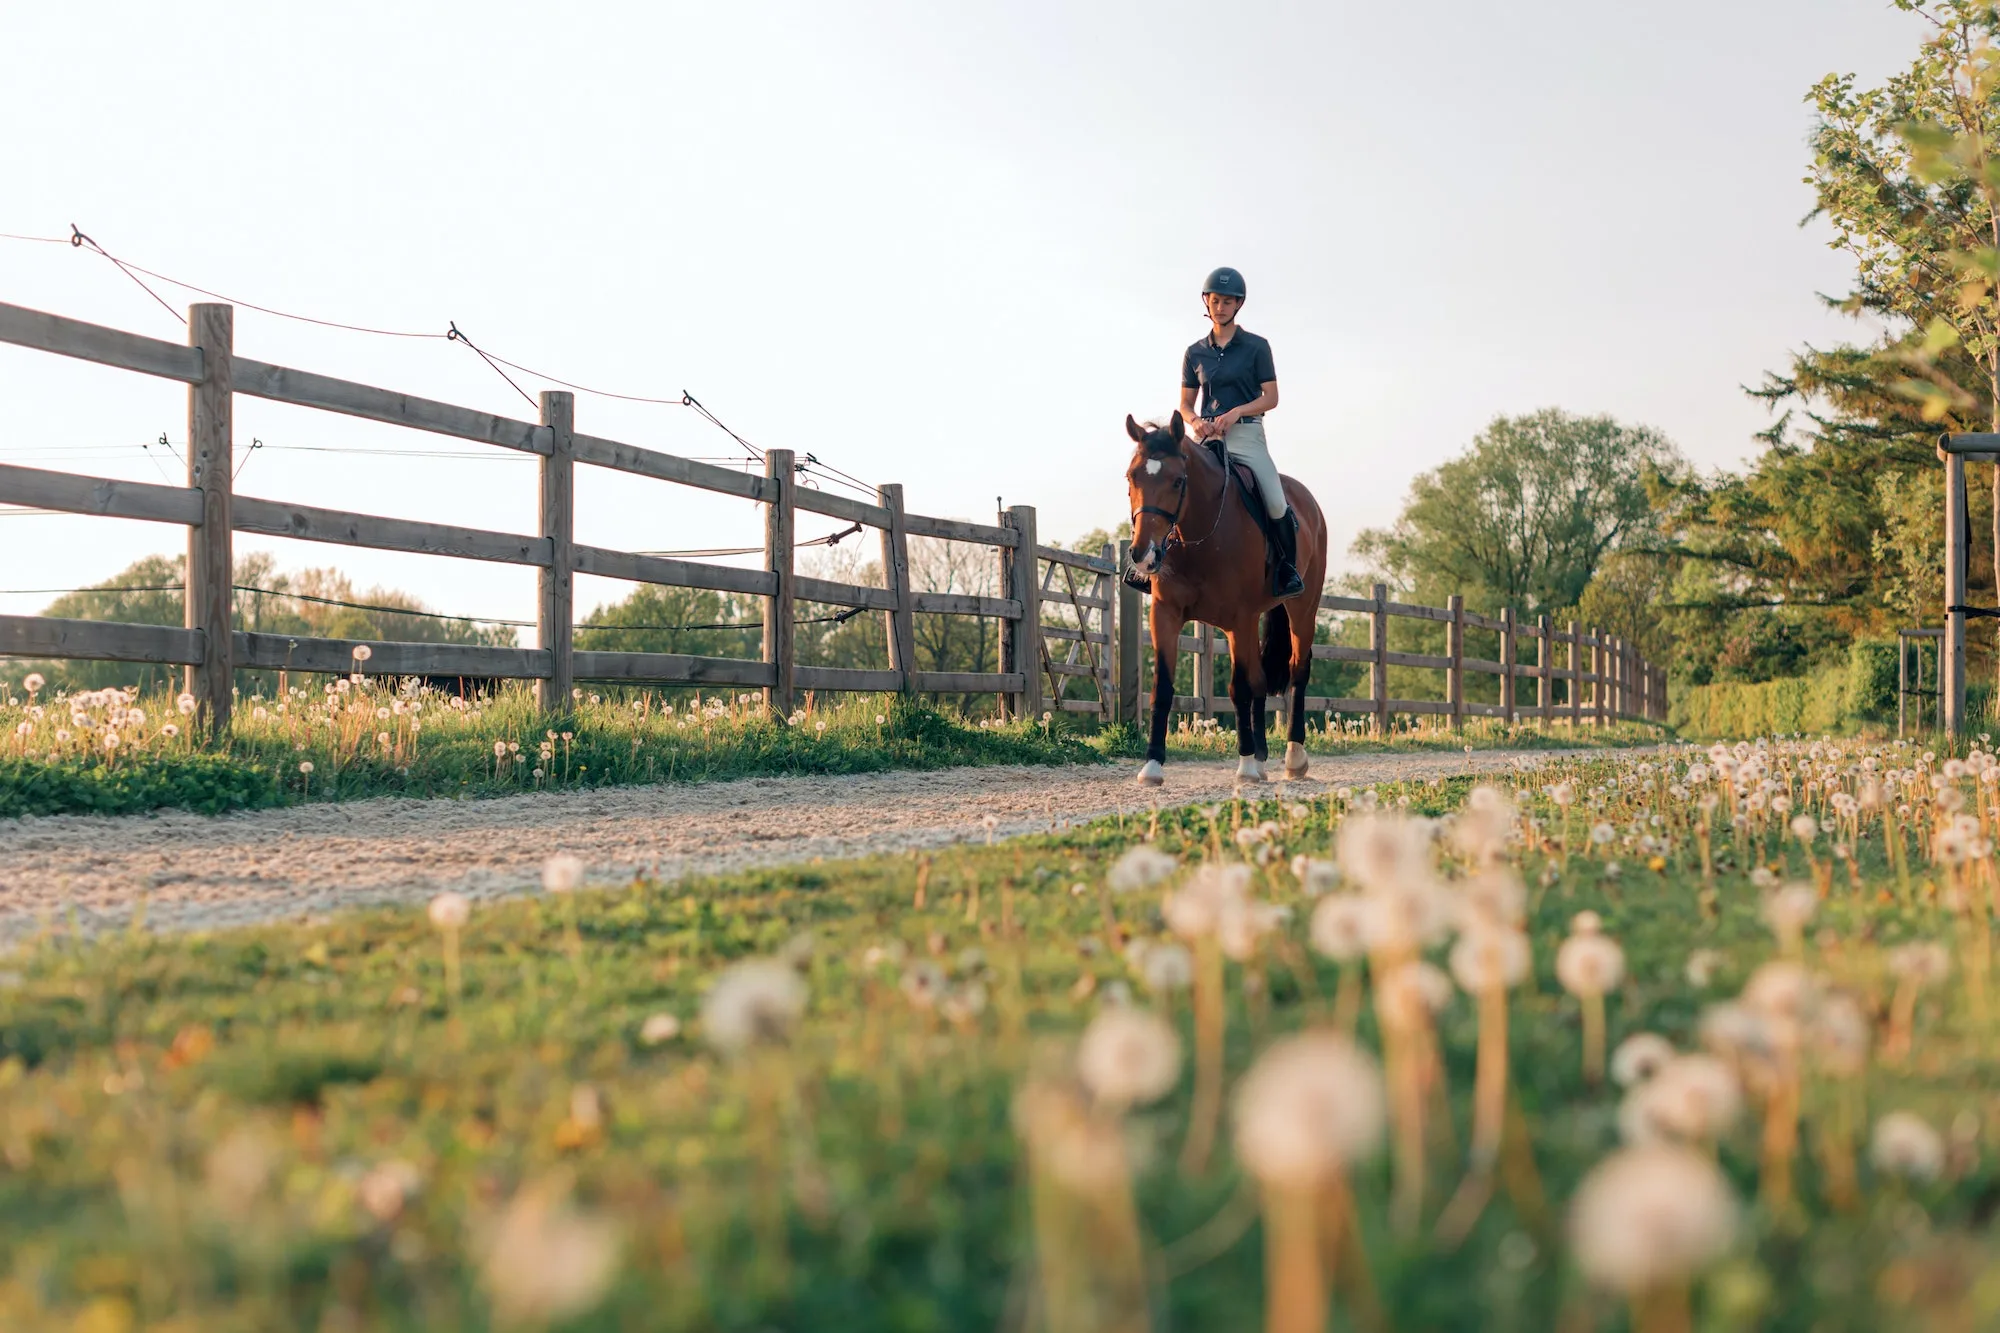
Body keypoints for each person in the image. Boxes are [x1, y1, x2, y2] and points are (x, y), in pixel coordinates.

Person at [1129, 266, 1303, 597]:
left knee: (1276, 501)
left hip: (1247, 436)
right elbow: (1185, 404)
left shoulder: (1257, 347)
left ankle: (1287, 570)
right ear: (1205, 302)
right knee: (1163, 485)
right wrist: (1195, 422)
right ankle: (1146, 563)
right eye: (1215, 300)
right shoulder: (1194, 352)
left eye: (1227, 302)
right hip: (1205, 439)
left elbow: (1271, 397)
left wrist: (1237, 412)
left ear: (1238, 305)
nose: (1220, 307)